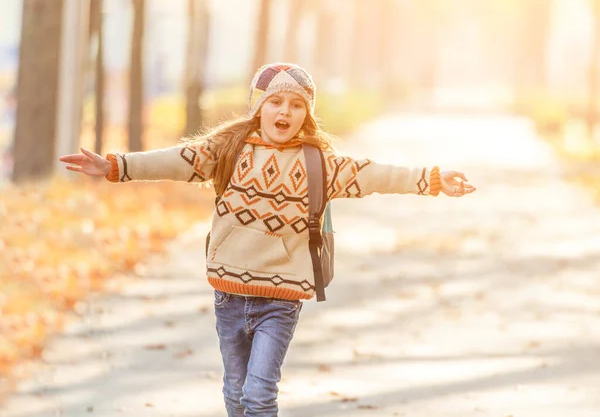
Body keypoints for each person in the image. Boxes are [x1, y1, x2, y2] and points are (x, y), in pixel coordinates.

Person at [59, 63, 476, 416]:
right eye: (276, 101)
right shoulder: (228, 150)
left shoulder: (318, 163)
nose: (285, 111)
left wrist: (433, 179)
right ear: (259, 106)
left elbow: (376, 174)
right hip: (229, 293)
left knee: (259, 396)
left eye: (297, 105)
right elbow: (174, 161)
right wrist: (116, 165)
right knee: (234, 394)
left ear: (306, 115)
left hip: (281, 299)